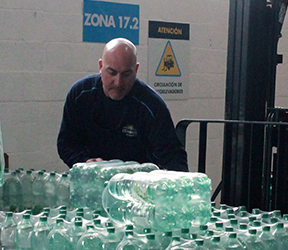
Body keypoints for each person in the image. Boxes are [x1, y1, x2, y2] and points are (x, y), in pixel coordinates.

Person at [57, 37, 189, 171]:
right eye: (112, 73)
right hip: (92, 181)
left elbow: (173, 157)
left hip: (138, 186)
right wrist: (84, 162)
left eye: (126, 74)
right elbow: (66, 143)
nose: (118, 82)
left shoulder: (151, 107)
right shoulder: (80, 95)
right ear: (101, 67)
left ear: (136, 70)